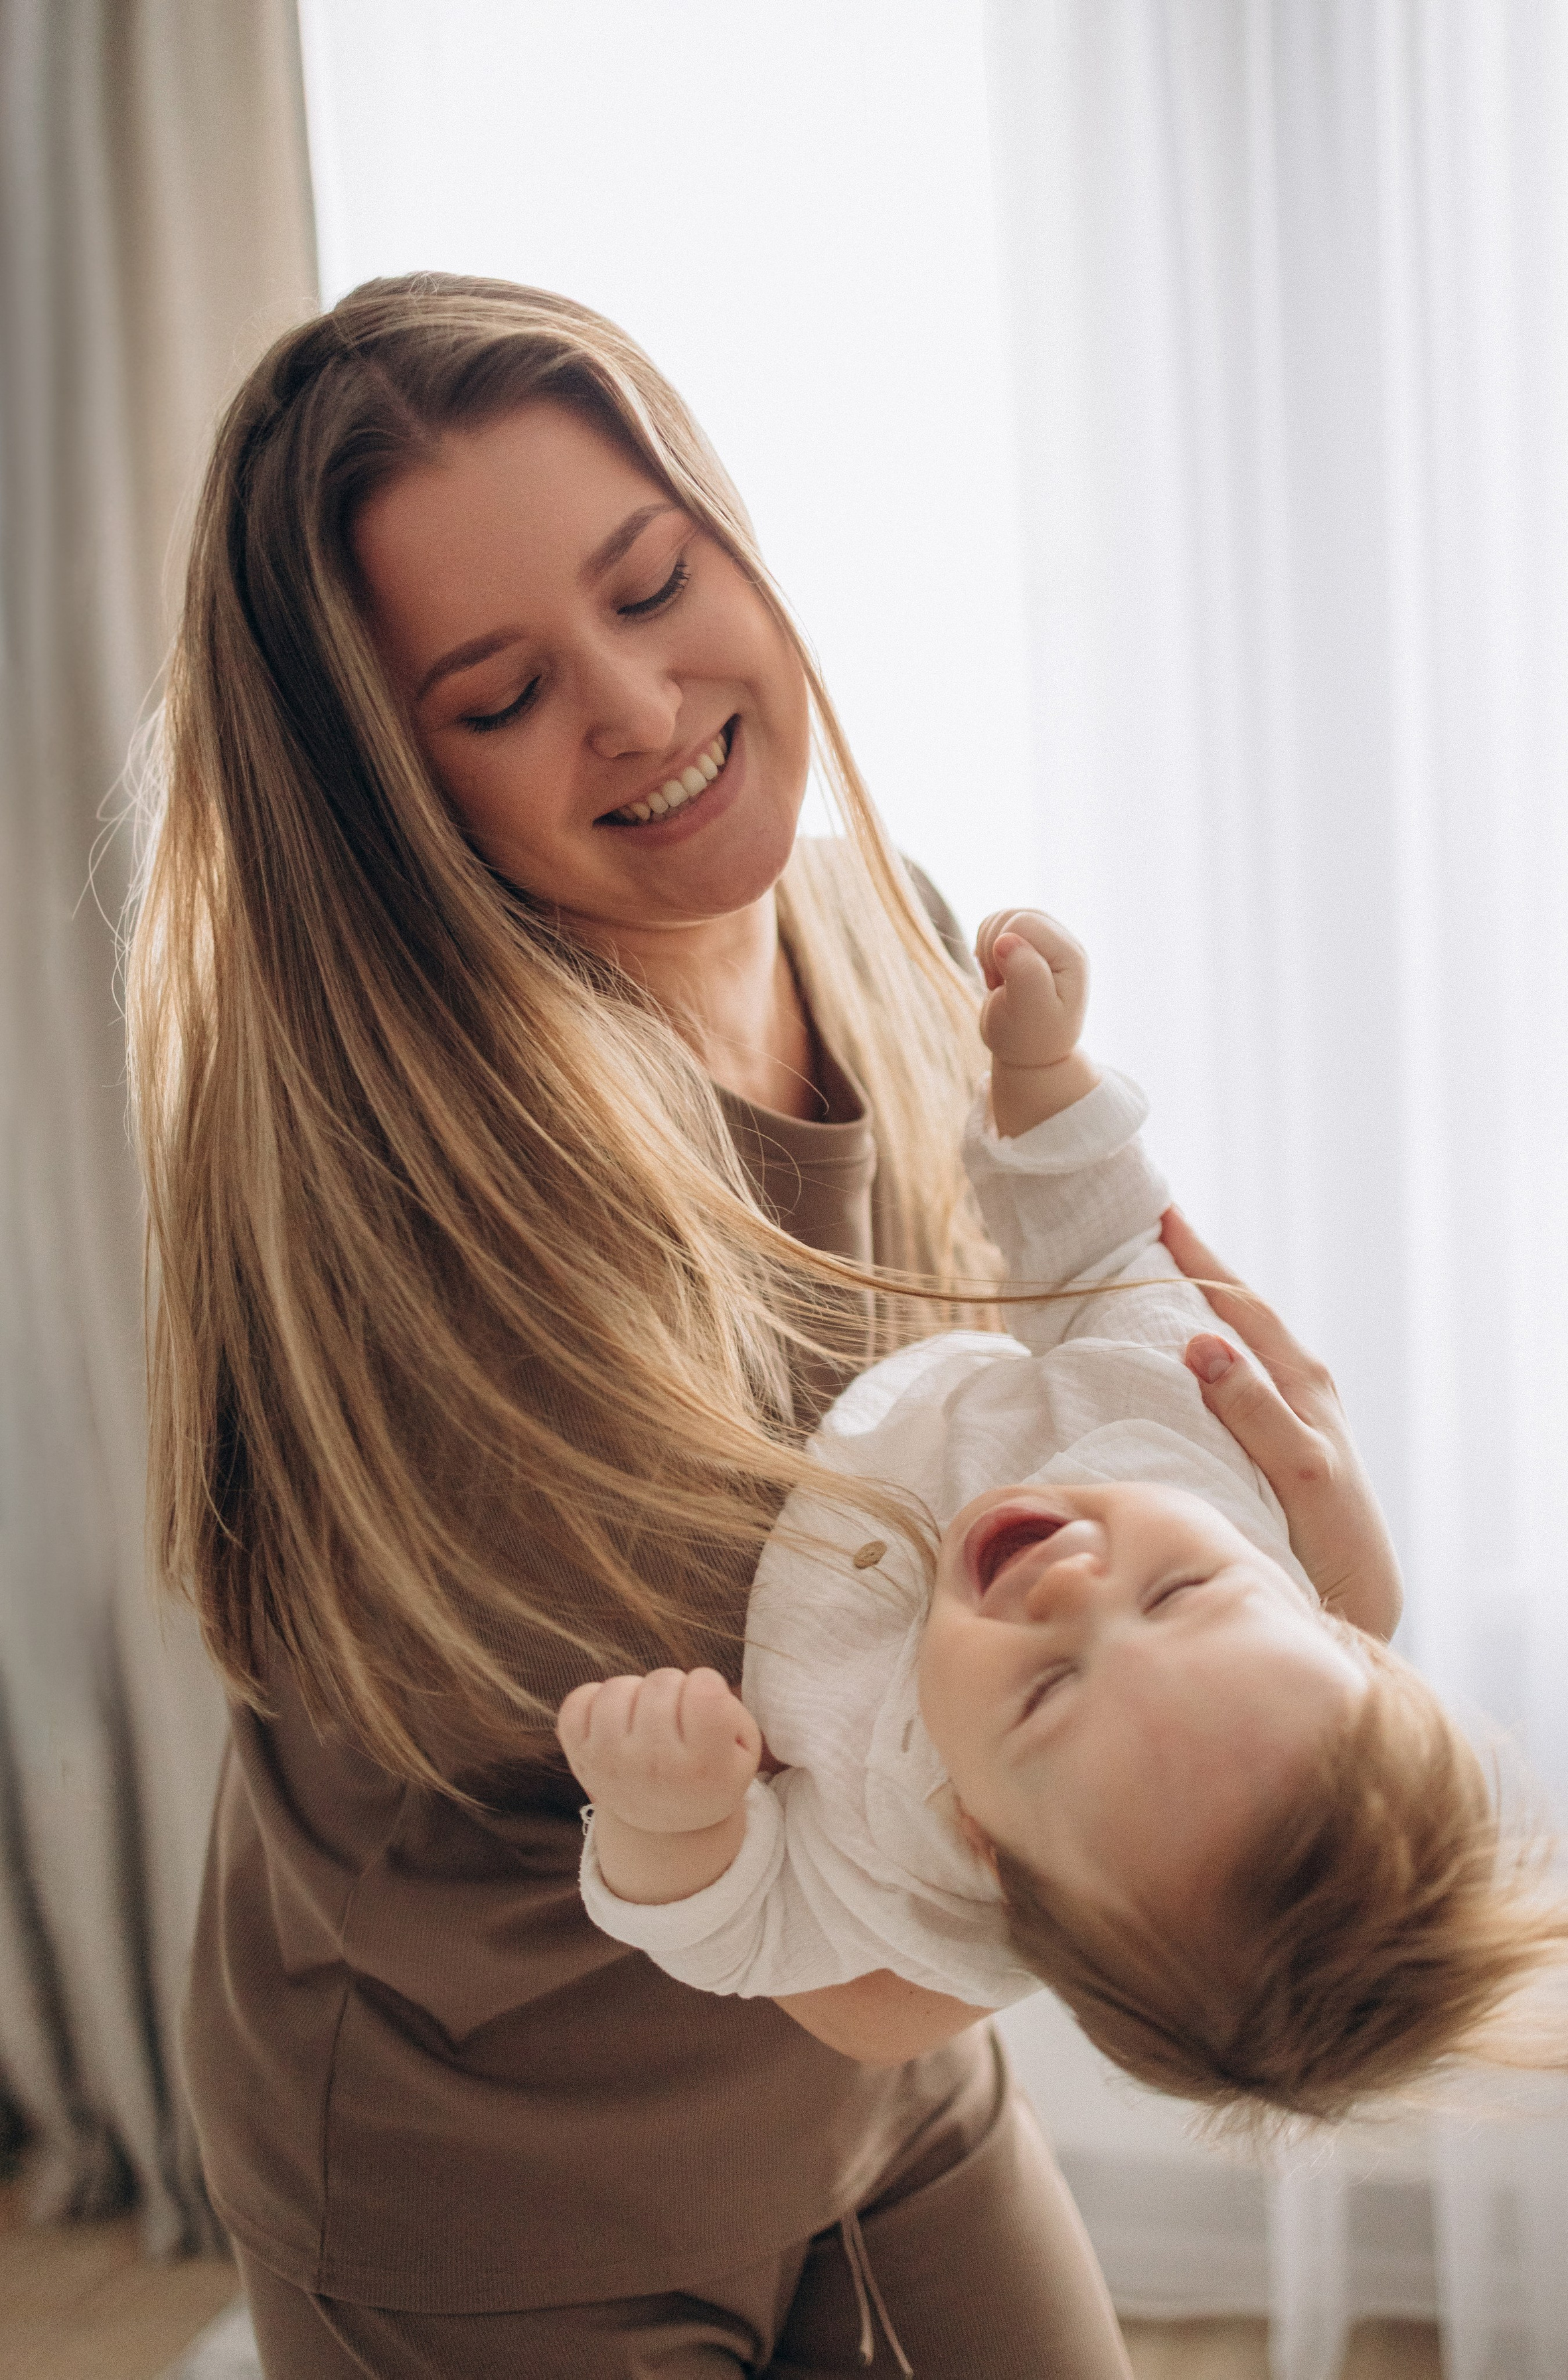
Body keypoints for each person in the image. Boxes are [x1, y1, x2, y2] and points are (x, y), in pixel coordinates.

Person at [131, 274, 1404, 2378]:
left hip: (877, 2067)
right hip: (511, 2162)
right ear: (386, 796)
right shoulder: (457, 1223)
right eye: (498, 693)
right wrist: (1323, 1616)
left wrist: (1294, 1593)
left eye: (652, 580)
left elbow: (1108, 1407)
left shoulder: (877, 916)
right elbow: (931, 1799)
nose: (636, 704)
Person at [564, 912, 1568, 2126]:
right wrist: (1041, 1072)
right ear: (1325, 1615)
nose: (1078, 1589)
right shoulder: (1200, 1445)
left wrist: (674, 1821)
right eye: (1182, 1592)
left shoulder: (909, 1874)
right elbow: (1104, 1242)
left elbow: (742, 1931)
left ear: (980, 1836)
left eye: (1047, 1693)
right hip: (913, 1394)